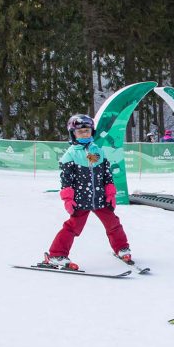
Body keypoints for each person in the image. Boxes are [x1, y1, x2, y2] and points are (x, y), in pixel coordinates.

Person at [43, 114, 132, 269]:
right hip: (81, 199)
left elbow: (106, 175)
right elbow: (66, 180)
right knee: (72, 227)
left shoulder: (98, 152)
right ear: (73, 134)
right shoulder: (70, 154)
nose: (84, 134)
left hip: (100, 198)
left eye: (87, 131)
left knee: (113, 224)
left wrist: (110, 193)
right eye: (80, 132)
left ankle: (121, 248)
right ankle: (56, 255)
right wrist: (68, 199)